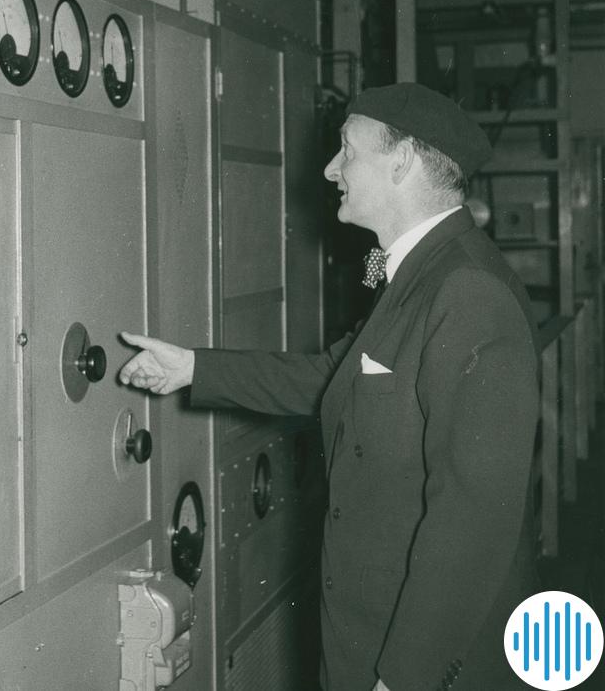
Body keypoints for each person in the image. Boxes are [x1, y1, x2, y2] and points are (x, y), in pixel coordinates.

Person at [120, 82, 540, 691]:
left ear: (402, 161)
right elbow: (333, 377)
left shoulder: (466, 289)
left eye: (348, 149)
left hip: (415, 661)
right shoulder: (422, 274)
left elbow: (472, 518)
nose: (330, 168)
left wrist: (404, 678)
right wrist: (192, 368)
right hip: (366, 637)